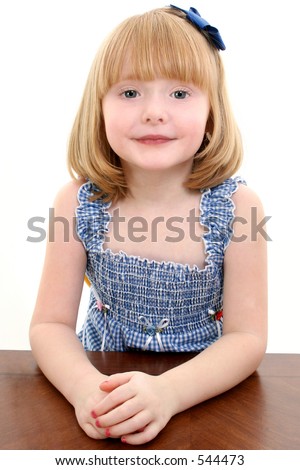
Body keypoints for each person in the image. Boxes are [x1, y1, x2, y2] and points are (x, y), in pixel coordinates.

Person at [29, 5, 268, 446]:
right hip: (104, 387)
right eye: (130, 92)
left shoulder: (238, 208)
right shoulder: (77, 203)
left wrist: (169, 392)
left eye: (180, 94)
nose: (155, 112)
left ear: (212, 110)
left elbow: (247, 338)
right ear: (98, 106)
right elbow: (49, 326)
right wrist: (85, 389)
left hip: (206, 395)